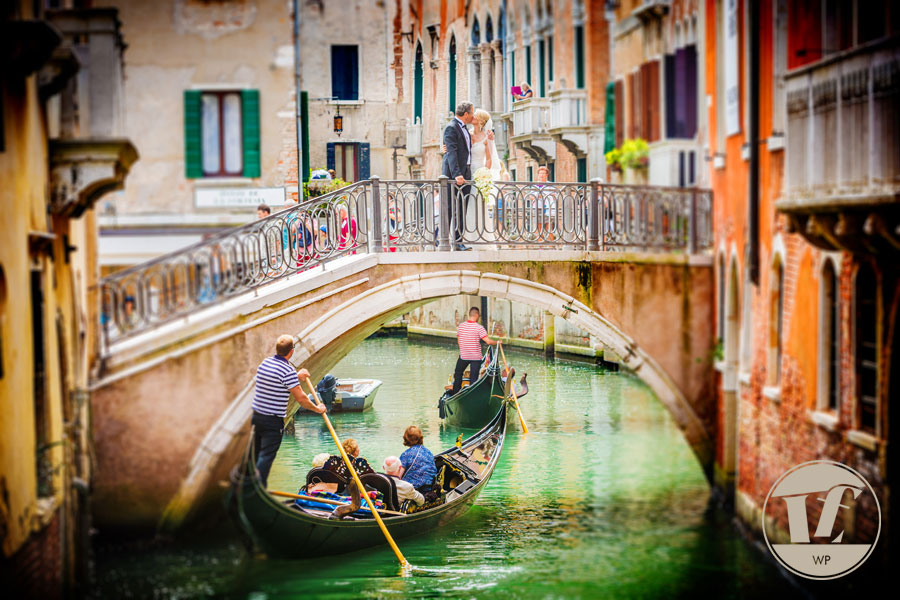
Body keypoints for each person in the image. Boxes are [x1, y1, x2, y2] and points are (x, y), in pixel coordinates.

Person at [251, 334, 326, 488]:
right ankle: (257, 489)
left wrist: (295, 376)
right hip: (272, 421)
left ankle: (248, 486)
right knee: (266, 456)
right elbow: (302, 399)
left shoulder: (265, 363)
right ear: (291, 351)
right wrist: (317, 409)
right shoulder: (287, 371)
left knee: (255, 453)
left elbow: (276, 379)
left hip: (257, 416)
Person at [441, 101, 475, 251]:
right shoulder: (451, 127)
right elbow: (451, 153)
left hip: (465, 171)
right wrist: (457, 174)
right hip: (453, 174)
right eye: (472, 113)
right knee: (449, 207)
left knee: (462, 206)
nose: (473, 115)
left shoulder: (465, 128)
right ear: (466, 114)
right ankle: (444, 240)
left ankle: (458, 241)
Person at [451, 306, 498, 395]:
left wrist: (464, 350)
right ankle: (472, 395)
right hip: (476, 357)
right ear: (477, 315)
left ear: (470, 315)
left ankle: (455, 393)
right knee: (473, 379)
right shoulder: (479, 328)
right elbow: (488, 341)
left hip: (464, 356)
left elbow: (459, 341)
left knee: (458, 374)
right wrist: (498, 342)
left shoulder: (461, 326)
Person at [398, 426, 437, 493]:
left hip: (412, 490)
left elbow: (398, 477)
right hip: (428, 488)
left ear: (406, 439)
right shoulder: (429, 452)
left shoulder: (406, 454)